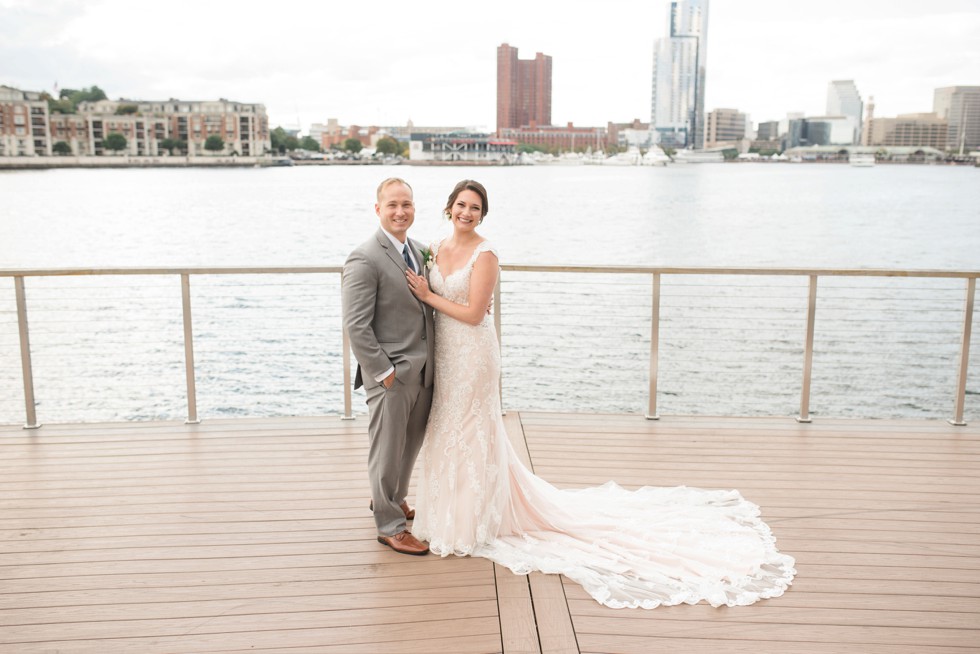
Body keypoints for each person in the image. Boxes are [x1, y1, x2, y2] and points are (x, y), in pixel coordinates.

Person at [405, 179, 797, 608]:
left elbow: (476, 313)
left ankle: (473, 523)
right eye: (461, 204)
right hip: (447, 353)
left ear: (483, 214)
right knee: (446, 427)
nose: (467, 212)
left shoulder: (487, 254)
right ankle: (446, 517)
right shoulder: (435, 249)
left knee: (471, 430)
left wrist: (428, 295)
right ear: (448, 208)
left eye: (475, 207)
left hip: (475, 355)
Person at [342, 177, 434, 556]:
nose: (401, 211)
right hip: (393, 373)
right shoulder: (364, 257)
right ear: (378, 209)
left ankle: (394, 498)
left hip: (424, 369)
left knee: (409, 444)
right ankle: (390, 525)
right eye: (393, 204)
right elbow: (356, 325)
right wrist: (384, 372)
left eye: (407, 204)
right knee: (387, 447)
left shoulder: (422, 250)